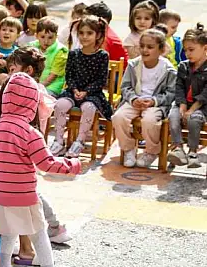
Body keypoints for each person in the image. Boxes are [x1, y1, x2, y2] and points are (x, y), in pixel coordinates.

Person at [0, 73, 81, 267]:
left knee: (8, 231)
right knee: (40, 237)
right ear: (32, 103)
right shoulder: (30, 133)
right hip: (23, 195)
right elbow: (46, 163)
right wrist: (71, 166)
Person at [113, 29, 177, 168]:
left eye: (150, 47)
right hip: (134, 101)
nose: (144, 50)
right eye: (142, 46)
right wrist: (134, 99)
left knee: (149, 120)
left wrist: (154, 101)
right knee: (118, 117)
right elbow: (125, 87)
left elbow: (171, 93)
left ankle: (152, 151)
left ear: (161, 50)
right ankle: (129, 149)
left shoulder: (168, 69)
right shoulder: (133, 64)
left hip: (156, 104)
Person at [51, 15, 112, 158]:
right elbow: (69, 75)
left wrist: (86, 92)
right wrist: (75, 89)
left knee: (88, 108)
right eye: (81, 33)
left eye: (89, 33)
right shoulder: (73, 54)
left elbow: (101, 80)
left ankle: (79, 141)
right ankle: (59, 141)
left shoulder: (102, 55)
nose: (84, 36)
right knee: (60, 104)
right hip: (73, 91)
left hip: (93, 93)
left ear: (98, 35)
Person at [167, 23, 207, 168]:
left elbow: (205, 94)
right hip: (183, 103)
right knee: (173, 116)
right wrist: (182, 105)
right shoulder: (183, 66)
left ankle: (192, 152)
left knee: (194, 119)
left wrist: (192, 109)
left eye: (191, 50)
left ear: (205, 48)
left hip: (202, 107)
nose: (187, 53)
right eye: (185, 50)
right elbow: (178, 87)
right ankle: (178, 148)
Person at [31, 17, 67, 97]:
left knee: (38, 97)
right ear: (36, 36)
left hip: (52, 87)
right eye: (42, 37)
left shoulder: (61, 51)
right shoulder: (31, 47)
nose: (46, 41)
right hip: (34, 84)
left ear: (56, 36)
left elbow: (53, 76)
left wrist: (38, 87)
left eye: (50, 37)